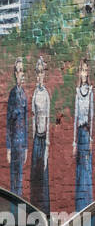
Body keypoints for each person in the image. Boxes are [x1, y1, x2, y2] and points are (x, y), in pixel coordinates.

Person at [29, 56, 51, 216]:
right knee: (35, 174)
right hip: (37, 138)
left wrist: (47, 145)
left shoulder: (46, 95)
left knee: (44, 174)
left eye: (41, 73)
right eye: (37, 73)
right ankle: (34, 208)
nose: (39, 76)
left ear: (44, 75)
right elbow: (33, 115)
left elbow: (48, 118)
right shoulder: (35, 94)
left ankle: (45, 211)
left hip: (44, 139)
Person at [73, 58, 94, 210]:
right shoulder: (77, 92)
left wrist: (92, 137)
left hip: (87, 133)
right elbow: (75, 117)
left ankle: (88, 203)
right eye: (82, 70)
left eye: (86, 70)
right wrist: (74, 141)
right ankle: (80, 206)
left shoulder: (91, 91)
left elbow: (92, 116)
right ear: (79, 73)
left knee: (87, 168)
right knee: (80, 169)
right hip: (79, 133)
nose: (84, 73)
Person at [6, 59, 27, 197]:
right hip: (14, 143)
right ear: (15, 73)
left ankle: (18, 203)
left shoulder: (24, 94)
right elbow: (8, 123)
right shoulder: (12, 94)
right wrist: (8, 148)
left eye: (22, 70)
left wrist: (26, 147)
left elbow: (26, 123)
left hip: (21, 144)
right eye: (18, 70)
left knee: (20, 178)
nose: (21, 73)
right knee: (13, 178)